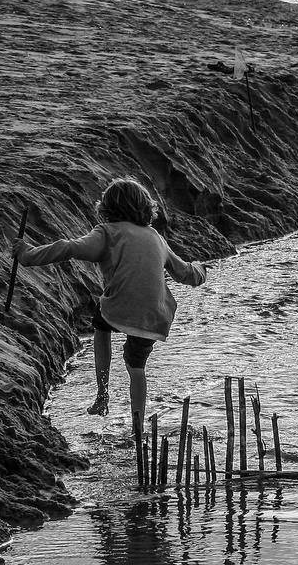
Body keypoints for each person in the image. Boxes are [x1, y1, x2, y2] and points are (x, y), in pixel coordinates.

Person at [13, 178, 206, 453]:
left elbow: (69, 248)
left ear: (107, 208)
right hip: (153, 315)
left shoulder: (106, 233)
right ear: (144, 209)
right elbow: (185, 272)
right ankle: (138, 431)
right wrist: (200, 271)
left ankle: (102, 394)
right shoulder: (156, 238)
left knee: (100, 327)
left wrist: (28, 255)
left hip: (117, 307)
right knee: (136, 368)